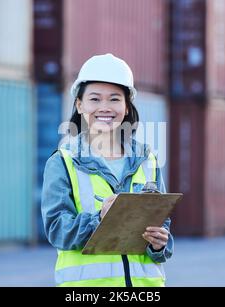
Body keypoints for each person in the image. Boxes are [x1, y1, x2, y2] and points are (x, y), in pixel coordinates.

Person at [41, 53, 173, 287]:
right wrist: (100, 218)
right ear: (80, 104)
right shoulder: (64, 162)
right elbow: (57, 230)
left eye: (114, 99)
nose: (105, 108)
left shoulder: (147, 160)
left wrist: (160, 243)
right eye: (95, 99)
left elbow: (162, 227)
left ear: (126, 106)